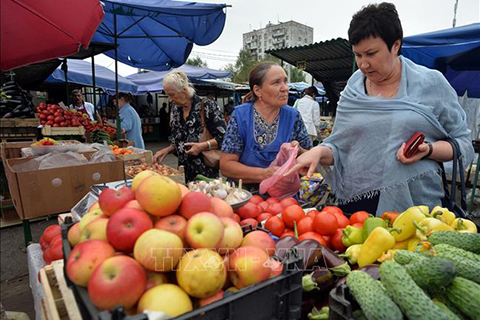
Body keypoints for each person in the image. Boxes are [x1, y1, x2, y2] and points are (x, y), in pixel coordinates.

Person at [286, 2, 474, 215]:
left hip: (415, 207)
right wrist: (318, 151)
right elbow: (341, 147)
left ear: (395, 45)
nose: (363, 64)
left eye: (371, 53)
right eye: (358, 55)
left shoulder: (430, 83)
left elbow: (462, 144)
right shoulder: (354, 87)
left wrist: (428, 150)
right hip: (356, 204)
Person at [220, 62, 312, 191]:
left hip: (283, 198)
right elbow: (226, 166)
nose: (285, 88)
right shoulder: (241, 115)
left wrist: (298, 151)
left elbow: (309, 159)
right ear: (258, 90)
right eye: (276, 82)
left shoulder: (293, 116)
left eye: (285, 81)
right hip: (244, 195)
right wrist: (266, 174)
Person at [153, 71, 227, 182]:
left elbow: (224, 137)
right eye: (167, 95)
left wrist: (202, 146)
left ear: (184, 90)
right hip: (182, 172)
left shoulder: (207, 106)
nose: (170, 99)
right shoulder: (175, 109)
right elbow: (180, 140)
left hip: (205, 173)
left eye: (171, 94)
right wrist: (167, 150)